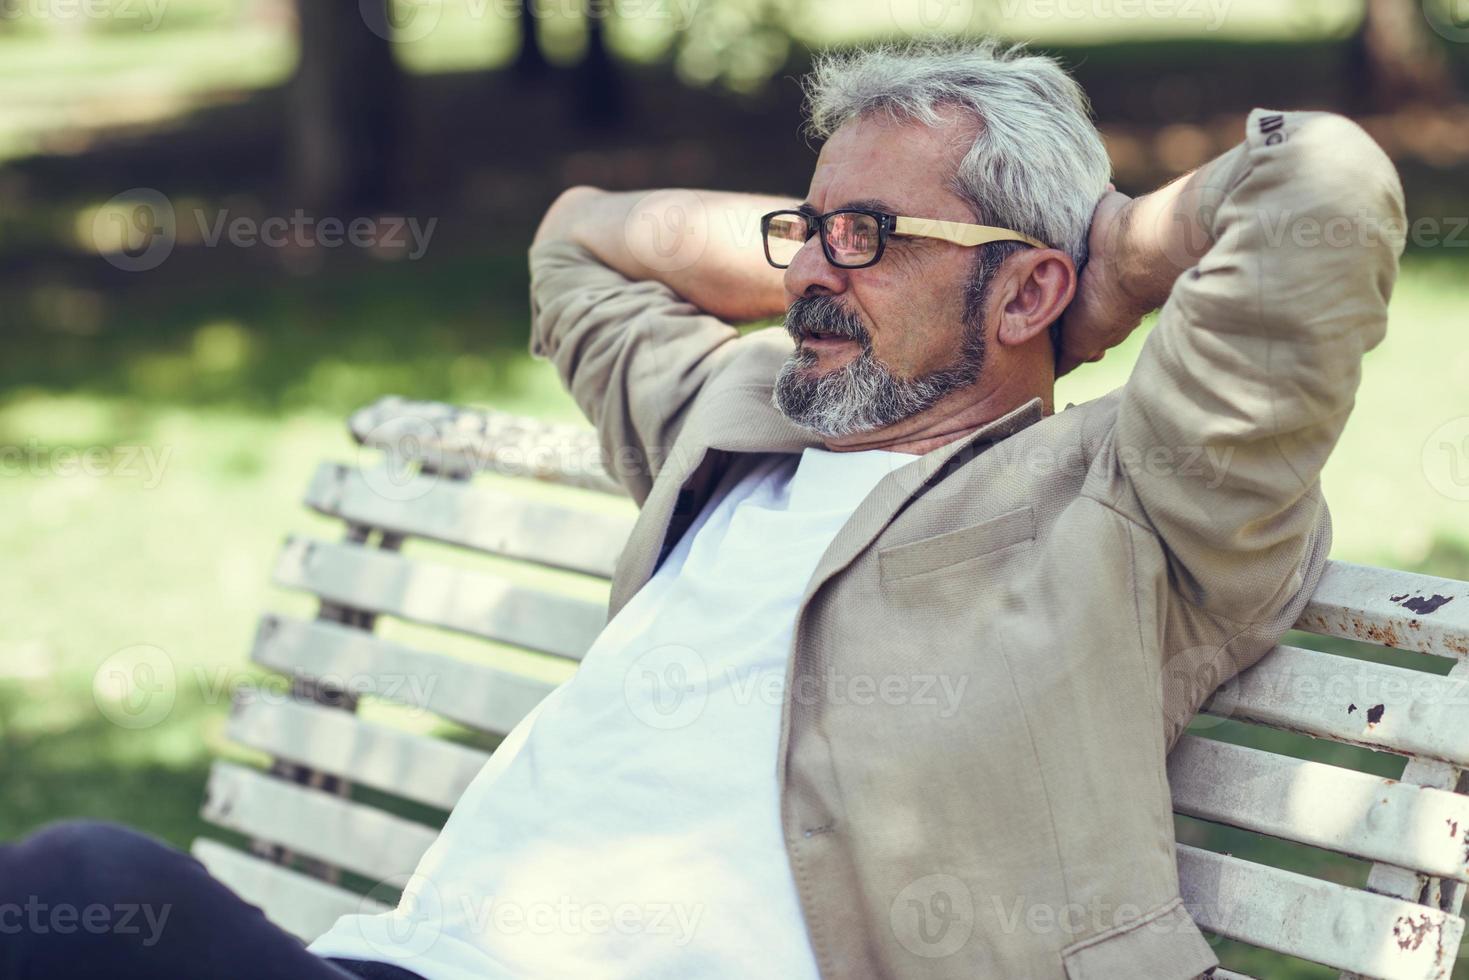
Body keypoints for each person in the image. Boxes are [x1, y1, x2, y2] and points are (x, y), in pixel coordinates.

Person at [2, 39, 1404, 980]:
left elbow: (1322, 193)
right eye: (803, 231)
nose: (806, 276)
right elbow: (579, 240)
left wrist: (1103, 259)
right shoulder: (736, 423)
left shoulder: (1131, 507)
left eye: (867, 241)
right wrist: (851, 239)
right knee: (62, 895)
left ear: (1032, 288)